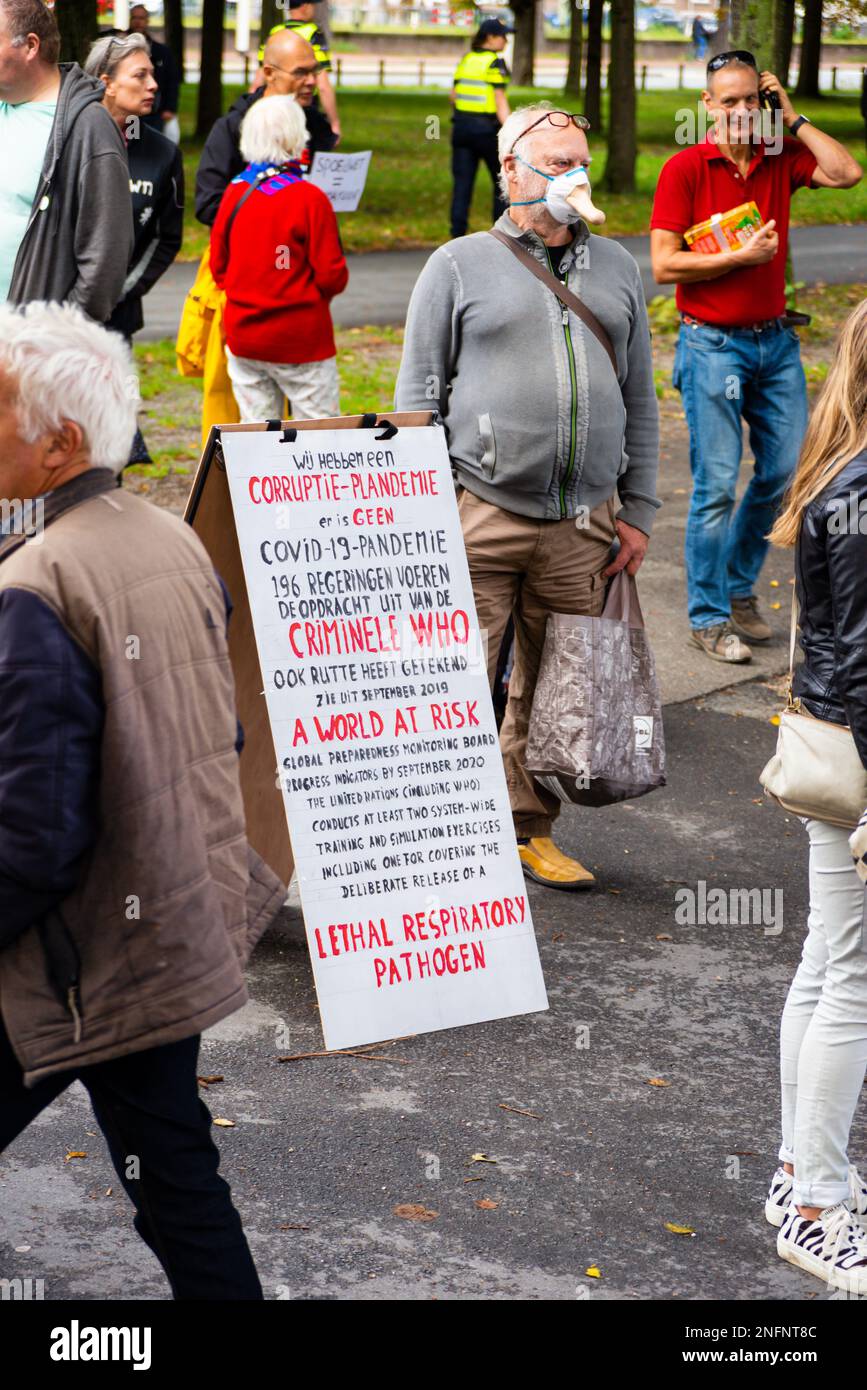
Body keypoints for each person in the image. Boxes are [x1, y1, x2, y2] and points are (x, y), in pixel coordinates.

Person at [0, 300, 286, 1299]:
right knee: (176, 1182)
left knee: (174, 1180)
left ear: (57, 443)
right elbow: (216, 732)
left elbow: (32, 839)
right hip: (171, 924)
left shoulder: (38, 580)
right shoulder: (166, 537)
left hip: (74, 962)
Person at [395, 102, 660, 892]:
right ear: (509, 171)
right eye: (553, 162)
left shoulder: (616, 265)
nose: (570, 176)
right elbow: (418, 394)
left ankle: (528, 827)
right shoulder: (456, 264)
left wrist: (637, 510)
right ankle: (433, 830)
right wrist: (424, 503)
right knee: (457, 676)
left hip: (582, 521)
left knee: (553, 689)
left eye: (579, 160)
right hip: (477, 507)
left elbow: (639, 396)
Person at [650, 51, 862, 664]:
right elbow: (664, 265)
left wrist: (792, 119)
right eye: (730, 100)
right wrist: (735, 260)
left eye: (753, 100)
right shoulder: (685, 167)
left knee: (785, 473)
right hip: (712, 344)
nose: (742, 111)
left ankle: (740, 586)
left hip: (776, 343)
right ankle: (709, 615)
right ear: (708, 106)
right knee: (716, 484)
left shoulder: (778, 158)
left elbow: (847, 172)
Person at [763, 300, 867, 1293]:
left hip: (828, 747)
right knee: (856, 981)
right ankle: (819, 1205)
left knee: (827, 965)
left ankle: (803, 1171)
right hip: (858, 760)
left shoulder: (841, 471)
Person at [210, 94, 347, 422]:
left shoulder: (235, 191)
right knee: (318, 439)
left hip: (245, 339)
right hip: (301, 340)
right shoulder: (309, 198)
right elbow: (332, 275)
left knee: (257, 436)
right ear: (295, 137)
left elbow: (219, 267)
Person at [84, 33, 184, 465]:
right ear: (106, 81)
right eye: (140, 75)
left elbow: (166, 237)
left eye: (153, 75)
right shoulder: (68, 138)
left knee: (111, 436)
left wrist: (117, 291)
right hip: (51, 315)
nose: (153, 85)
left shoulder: (162, 153)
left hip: (116, 317)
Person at [0, 0, 131, 320]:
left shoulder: (89, 127)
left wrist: (56, 338)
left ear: (30, 46)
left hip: (29, 351)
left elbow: (104, 259)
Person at [195, 27, 336, 227]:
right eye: (300, 73)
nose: (312, 81)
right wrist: (275, 218)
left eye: (314, 71)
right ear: (269, 73)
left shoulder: (316, 126)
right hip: (250, 253)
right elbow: (209, 206)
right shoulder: (233, 127)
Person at [450, 17, 512, 239]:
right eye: (503, 36)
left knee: (462, 185)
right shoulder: (496, 62)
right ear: (490, 38)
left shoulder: (466, 60)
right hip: (487, 131)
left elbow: (453, 96)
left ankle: (456, 235)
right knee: (501, 183)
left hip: (461, 129)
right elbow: (500, 101)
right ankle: (501, 235)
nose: (506, 40)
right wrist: (513, 131)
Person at [257, 0, 340, 144]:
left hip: (274, 111)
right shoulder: (313, 34)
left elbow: (259, 80)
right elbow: (323, 85)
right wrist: (334, 124)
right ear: (306, 6)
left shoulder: (275, 33)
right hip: (304, 111)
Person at [127, 3, 180, 142]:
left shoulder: (161, 52)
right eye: (134, 17)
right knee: (131, 145)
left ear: (147, 21)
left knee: (152, 145)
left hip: (154, 112)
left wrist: (170, 107)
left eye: (142, 18)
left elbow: (171, 81)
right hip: (129, 111)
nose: (138, 21)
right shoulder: (121, 50)